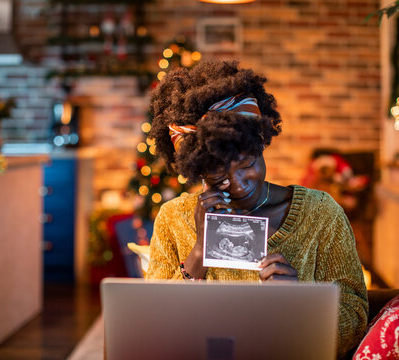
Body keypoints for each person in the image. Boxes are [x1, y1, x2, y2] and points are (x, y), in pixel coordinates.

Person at [145, 59, 368, 357]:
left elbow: (355, 318)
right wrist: (198, 253)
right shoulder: (173, 218)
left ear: (262, 143)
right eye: (218, 173)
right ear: (196, 169)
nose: (238, 185)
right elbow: (152, 327)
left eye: (247, 164)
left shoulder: (321, 214)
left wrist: (298, 301)